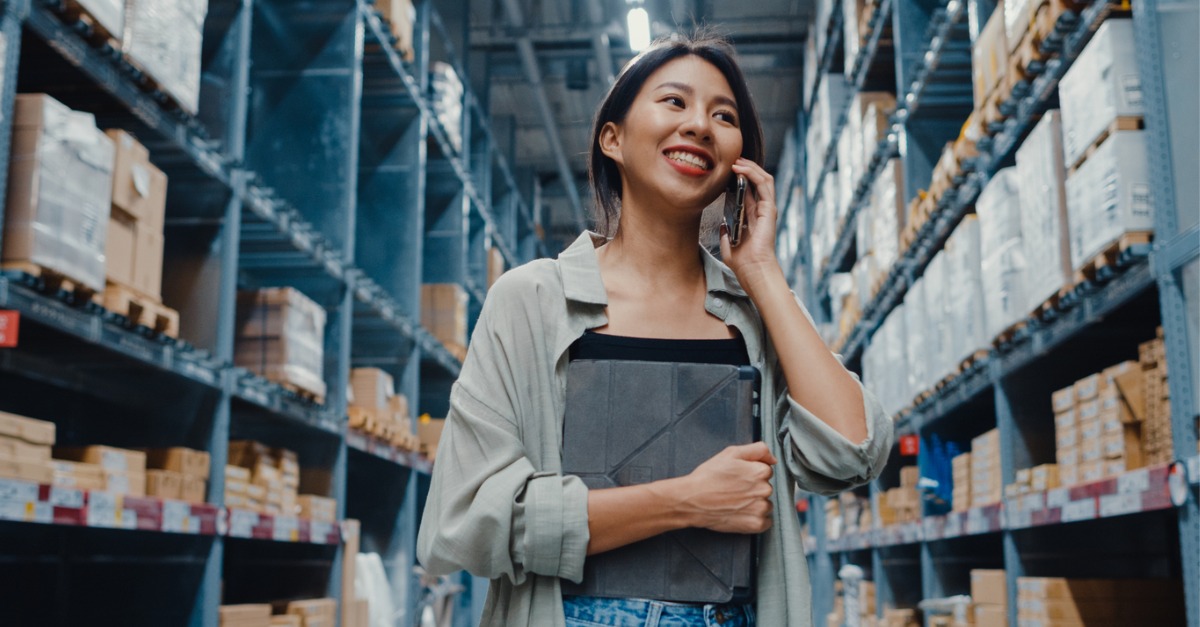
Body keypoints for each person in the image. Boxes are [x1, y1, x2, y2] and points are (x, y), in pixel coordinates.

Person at [417, 33, 893, 627]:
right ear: (611, 138)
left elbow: (852, 454)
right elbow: (466, 521)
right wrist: (686, 501)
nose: (700, 124)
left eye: (724, 115)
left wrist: (764, 274)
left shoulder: (756, 312)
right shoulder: (533, 301)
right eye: (674, 102)